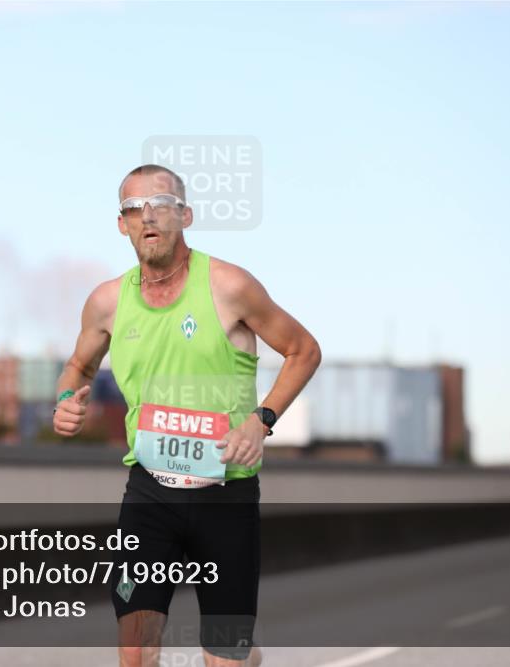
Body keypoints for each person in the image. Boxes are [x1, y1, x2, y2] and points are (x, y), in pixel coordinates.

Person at [53, 164, 321, 666]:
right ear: (122, 224)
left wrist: (260, 420)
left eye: (161, 205)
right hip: (149, 493)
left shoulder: (229, 285)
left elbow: (303, 350)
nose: (148, 216)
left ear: (186, 216)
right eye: (135, 208)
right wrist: (66, 400)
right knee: (136, 651)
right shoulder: (107, 301)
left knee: (223, 656)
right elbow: (78, 365)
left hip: (226, 494)